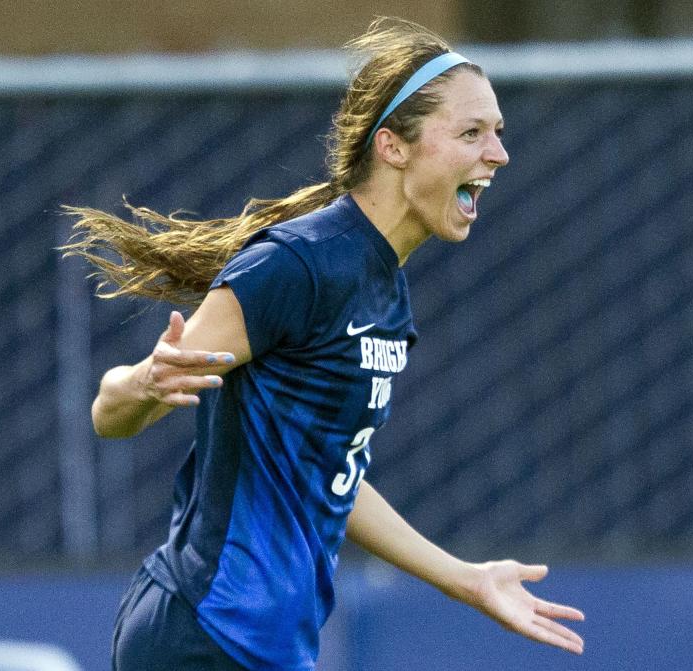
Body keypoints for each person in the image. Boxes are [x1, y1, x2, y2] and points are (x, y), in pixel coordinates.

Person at [63, 17, 584, 671]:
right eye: (472, 132)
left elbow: (327, 471)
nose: (499, 154)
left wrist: (465, 577)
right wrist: (142, 384)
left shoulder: (384, 292)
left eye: (498, 134)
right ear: (393, 146)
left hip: (269, 651)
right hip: (203, 635)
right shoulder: (298, 265)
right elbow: (108, 415)